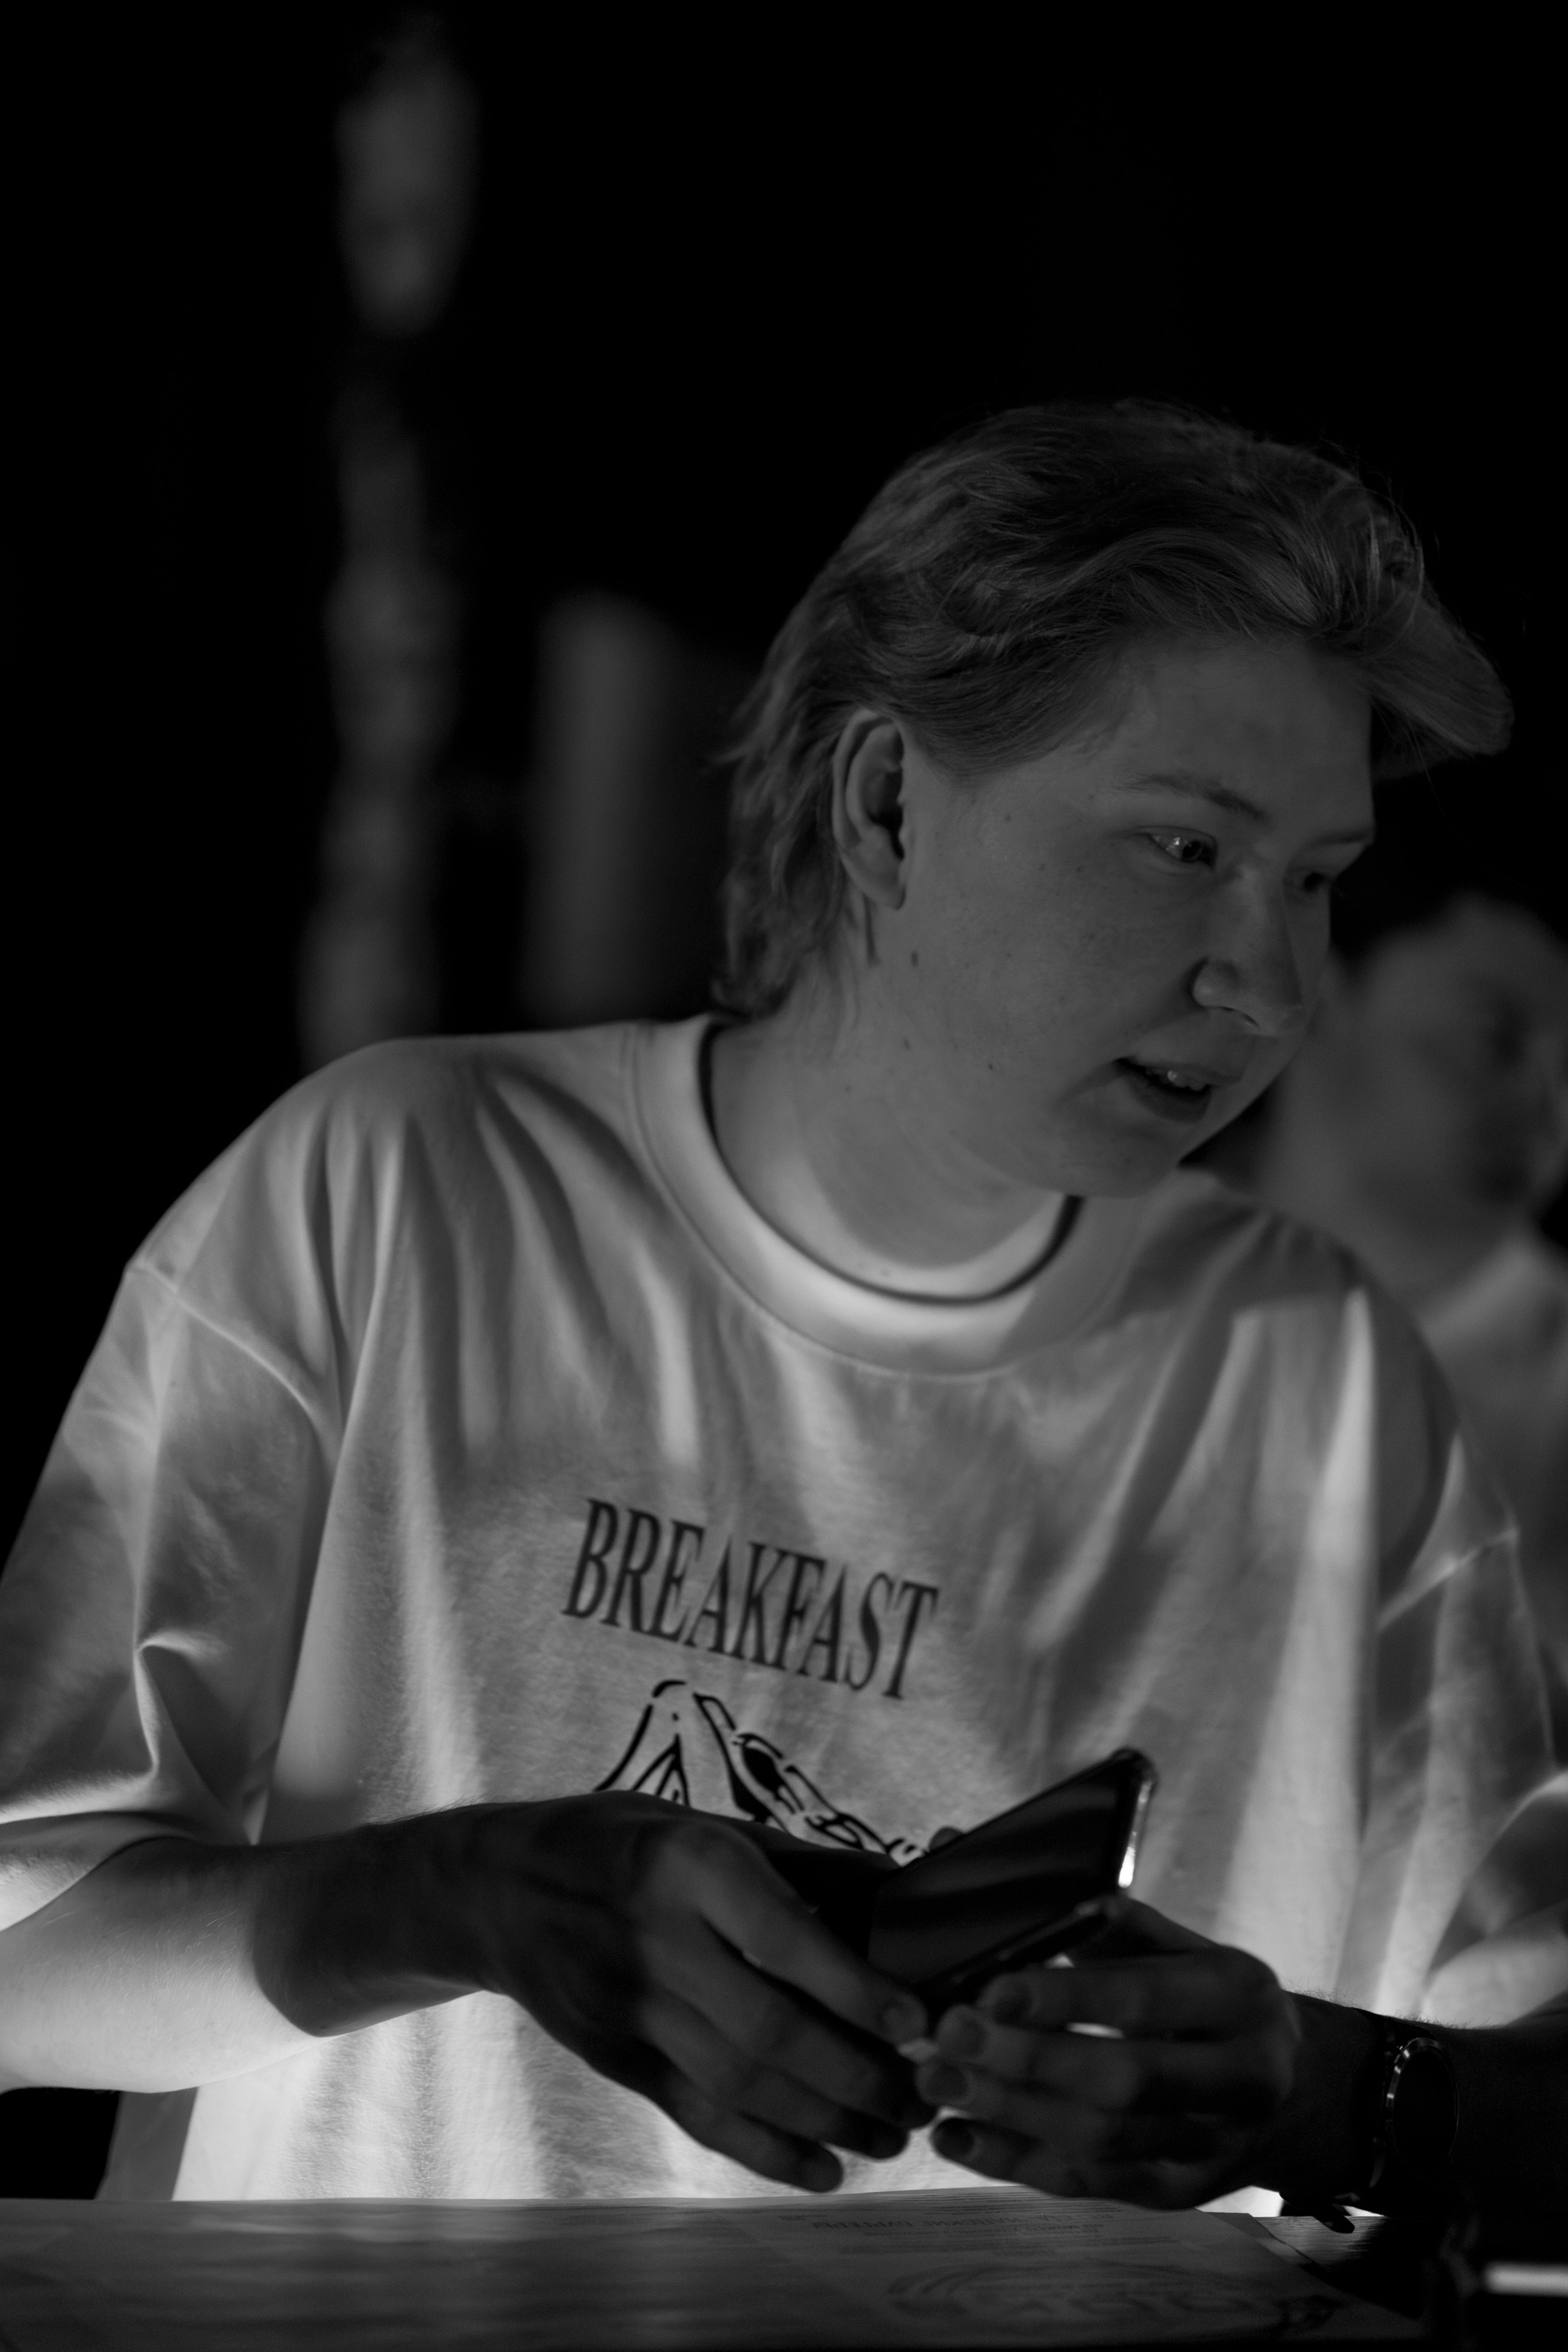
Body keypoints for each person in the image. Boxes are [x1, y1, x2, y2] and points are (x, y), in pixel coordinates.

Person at [0, 403, 1560, 2215]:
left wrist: (1325, 2094)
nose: (1271, 984)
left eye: (1315, 880)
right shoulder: (400, 1191)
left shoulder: (1326, 1375)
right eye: (1185, 849)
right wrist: (449, 1899)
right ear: (886, 803)